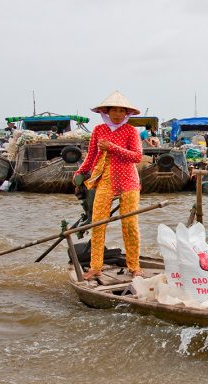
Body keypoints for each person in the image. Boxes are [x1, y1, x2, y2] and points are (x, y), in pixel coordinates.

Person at [73, 91, 143, 280]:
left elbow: (137, 156)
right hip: (105, 180)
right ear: (107, 111)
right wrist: (79, 172)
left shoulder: (130, 131)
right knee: (98, 223)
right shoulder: (98, 130)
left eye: (122, 111)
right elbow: (92, 156)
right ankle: (96, 266)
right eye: (114, 110)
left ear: (127, 113)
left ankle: (134, 266)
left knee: (129, 224)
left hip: (128, 180)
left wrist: (113, 148)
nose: (118, 114)